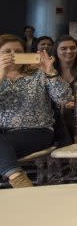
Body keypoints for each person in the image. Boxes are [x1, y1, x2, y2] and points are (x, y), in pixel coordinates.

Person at [0, 34, 71, 187]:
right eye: (7, 51)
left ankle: (16, 180)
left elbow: (64, 99)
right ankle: (18, 178)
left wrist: (50, 72)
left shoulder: (39, 74)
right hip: (4, 134)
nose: (13, 55)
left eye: (18, 51)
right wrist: (1, 73)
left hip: (37, 131)